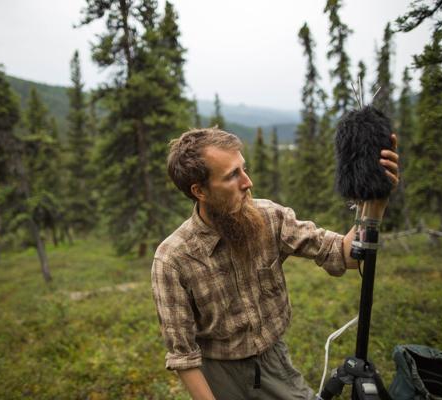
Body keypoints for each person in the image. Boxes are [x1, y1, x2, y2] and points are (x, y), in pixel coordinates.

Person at [151, 128, 399, 400]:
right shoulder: (173, 259)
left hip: (272, 362)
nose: (248, 182)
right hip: (217, 374)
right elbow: (183, 356)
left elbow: (345, 254)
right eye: (232, 175)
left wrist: (375, 202)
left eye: (243, 169)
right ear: (200, 190)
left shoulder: (269, 217)